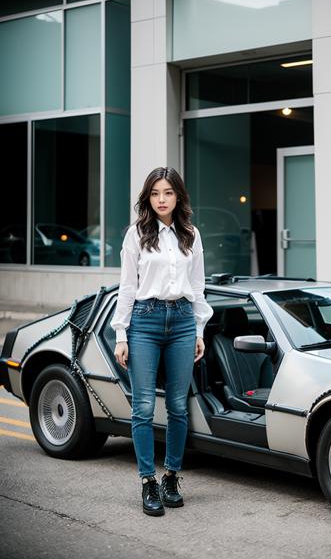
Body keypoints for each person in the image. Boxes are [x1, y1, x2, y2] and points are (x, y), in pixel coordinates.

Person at [111, 166, 213, 517]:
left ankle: (171, 476)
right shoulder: (136, 234)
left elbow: (198, 286)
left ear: (178, 196)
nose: (161, 200)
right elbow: (127, 286)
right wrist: (121, 334)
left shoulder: (191, 234)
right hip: (145, 321)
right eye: (155, 193)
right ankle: (147, 482)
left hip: (184, 321)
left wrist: (199, 330)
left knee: (178, 407)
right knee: (142, 407)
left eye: (168, 193)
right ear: (148, 197)